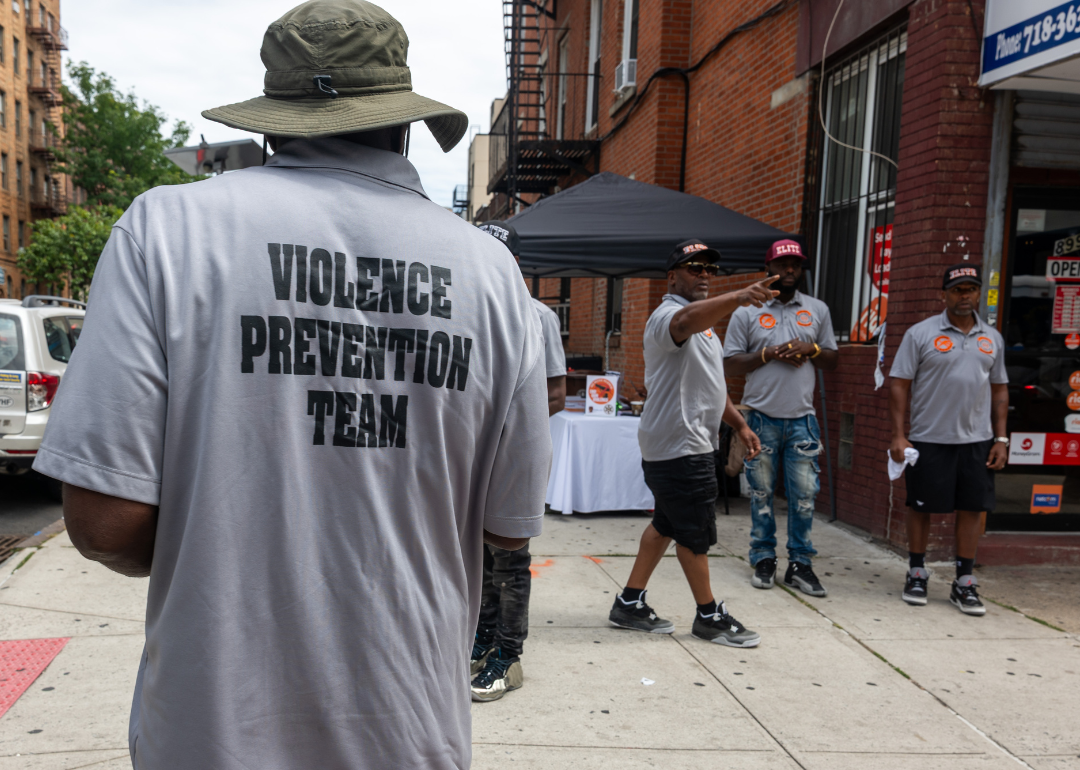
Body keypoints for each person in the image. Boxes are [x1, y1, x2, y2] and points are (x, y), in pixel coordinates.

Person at [32, 3, 552, 768]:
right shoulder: (491, 274)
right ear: (401, 123)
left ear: (274, 122)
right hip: (408, 731)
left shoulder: (165, 230)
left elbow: (104, 524)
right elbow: (509, 526)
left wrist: (220, 539)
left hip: (212, 732)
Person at [608, 239, 776, 648]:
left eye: (710, 270)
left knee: (666, 524)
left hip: (686, 443)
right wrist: (737, 296)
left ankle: (629, 603)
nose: (704, 275)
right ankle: (708, 616)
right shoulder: (668, 317)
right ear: (672, 277)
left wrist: (738, 424)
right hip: (680, 447)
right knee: (694, 534)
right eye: (694, 268)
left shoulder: (706, 330)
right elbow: (683, 322)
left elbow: (712, 386)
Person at [470, 221, 566, 701]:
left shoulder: (537, 315)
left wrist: (508, 419)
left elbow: (555, 394)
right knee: (479, 558)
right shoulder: (471, 306)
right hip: (474, 455)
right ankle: (482, 639)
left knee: (510, 560)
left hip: (513, 452)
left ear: (514, 262)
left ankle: (509, 655)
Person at [889, 263, 1008, 616]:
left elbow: (1000, 389)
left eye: (971, 289)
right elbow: (899, 384)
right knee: (921, 507)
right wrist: (898, 435)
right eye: (957, 289)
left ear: (978, 294)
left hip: (978, 440)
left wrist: (1001, 438)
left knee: (972, 508)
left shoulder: (993, 338)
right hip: (929, 438)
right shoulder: (920, 334)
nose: (965, 296)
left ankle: (964, 582)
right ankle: (916, 572)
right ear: (944, 294)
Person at [723, 239, 839, 597]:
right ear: (768, 268)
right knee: (760, 494)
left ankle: (801, 565)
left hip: (803, 418)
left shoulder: (817, 309)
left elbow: (832, 360)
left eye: (795, 265)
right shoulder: (747, 311)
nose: (789, 271)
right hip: (760, 418)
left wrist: (813, 348)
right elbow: (729, 363)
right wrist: (768, 354)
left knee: (804, 497)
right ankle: (763, 557)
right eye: (782, 265)